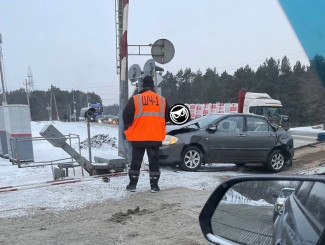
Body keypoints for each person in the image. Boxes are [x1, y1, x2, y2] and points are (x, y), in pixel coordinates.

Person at [123, 76, 170, 193]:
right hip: (155, 136)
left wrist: (128, 127)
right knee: (154, 161)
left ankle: (132, 185)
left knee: (136, 161)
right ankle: (154, 186)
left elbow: (126, 115)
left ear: (142, 86)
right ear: (153, 86)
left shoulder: (135, 99)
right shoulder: (162, 100)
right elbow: (168, 116)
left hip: (138, 136)